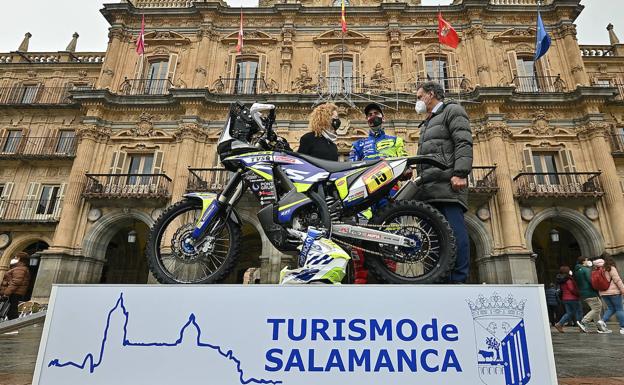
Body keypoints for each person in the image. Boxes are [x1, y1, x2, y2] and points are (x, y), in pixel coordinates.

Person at [413, 81, 473, 283]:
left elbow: (463, 142)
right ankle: (440, 278)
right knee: (434, 238)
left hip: (448, 184)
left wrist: (460, 173)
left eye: (419, 96)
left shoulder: (452, 110)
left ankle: (458, 278)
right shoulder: (428, 122)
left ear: (431, 95)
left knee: (454, 233)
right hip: (430, 189)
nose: (418, 101)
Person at [349, 102, 407, 284]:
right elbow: (350, 170)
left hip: (389, 194)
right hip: (364, 197)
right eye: (369, 114)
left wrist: (393, 164)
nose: (373, 116)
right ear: (366, 120)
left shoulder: (397, 141)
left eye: (376, 113)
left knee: (391, 234)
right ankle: (361, 280)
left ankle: (391, 279)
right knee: (360, 238)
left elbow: (406, 168)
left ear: (383, 117)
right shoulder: (358, 145)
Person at [574, 256, 608, 333]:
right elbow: (591, 280)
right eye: (587, 260)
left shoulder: (577, 270)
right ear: (583, 262)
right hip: (590, 292)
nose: (588, 261)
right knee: (597, 307)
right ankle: (584, 322)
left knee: (596, 308)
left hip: (583, 293)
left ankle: (599, 327)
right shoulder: (586, 270)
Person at [594, 256, 624, 334]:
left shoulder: (598, 269)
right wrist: (623, 289)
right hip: (614, 292)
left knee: (611, 308)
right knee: (619, 309)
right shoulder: (610, 268)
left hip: (603, 293)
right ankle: (623, 328)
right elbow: (617, 280)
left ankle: (602, 321)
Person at [0, 251, 31, 320]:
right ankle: (13, 326)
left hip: (14, 293)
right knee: (11, 310)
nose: (14, 259)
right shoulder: (18, 268)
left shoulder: (20, 269)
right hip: (14, 293)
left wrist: (6, 293)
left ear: (19, 259)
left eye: (16, 257)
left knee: (12, 310)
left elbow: (16, 282)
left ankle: (14, 326)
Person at [554, 265, 582, 333]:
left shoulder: (561, 280)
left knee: (569, 313)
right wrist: (578, 293)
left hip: (565, 298)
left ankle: (559, 324)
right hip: (573, 298)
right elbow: (572, 289)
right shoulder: (568, 279)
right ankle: (581, 326)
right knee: (579, 312)